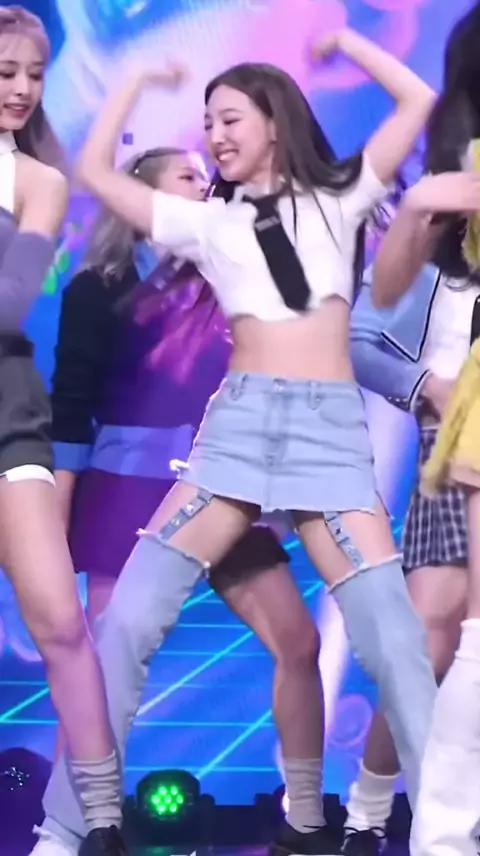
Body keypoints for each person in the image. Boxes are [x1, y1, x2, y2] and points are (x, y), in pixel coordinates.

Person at [35, 28, 437, 856]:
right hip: (236, 437)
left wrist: (348, 44)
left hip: (327, 440)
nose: (214, 136)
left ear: (276, 124)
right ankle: (70, 827)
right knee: (128, 623)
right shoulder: (207, 221)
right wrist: (137, 80)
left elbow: (417, 101)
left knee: (395, 641)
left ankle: (447, 830)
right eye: (208, 122)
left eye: (230, 120)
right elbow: (98, 172)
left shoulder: (344, 196)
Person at [47, 147, 322, 843]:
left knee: (298, 641)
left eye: (207, 175)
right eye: (188, 176)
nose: (205, 186)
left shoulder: (226, 279)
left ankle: (306, 820)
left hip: (220, 483)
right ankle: (68, 829)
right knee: (102, 670)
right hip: (124, 494)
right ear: (141, 194)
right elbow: (70, 409)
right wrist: (56, 514)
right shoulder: (97, 290)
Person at [0, 6, 126, 856]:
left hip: (9, 417)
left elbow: (10, 304)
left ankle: (93, 822)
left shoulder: (38, 179)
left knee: (59, 620)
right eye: (6, 71)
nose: (21, 90)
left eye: (34, 75)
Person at [362, 5, 480, 856]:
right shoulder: (453, 179)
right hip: (460, 422)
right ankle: (408, 824)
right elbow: (372, 315)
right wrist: (418, 206)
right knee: (446, 629)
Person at [342, 211, 478, 854]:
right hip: (452, 447)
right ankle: (369, 810)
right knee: (431, 635)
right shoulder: (429, 250)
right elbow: (357, 340)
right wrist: (427, 385)